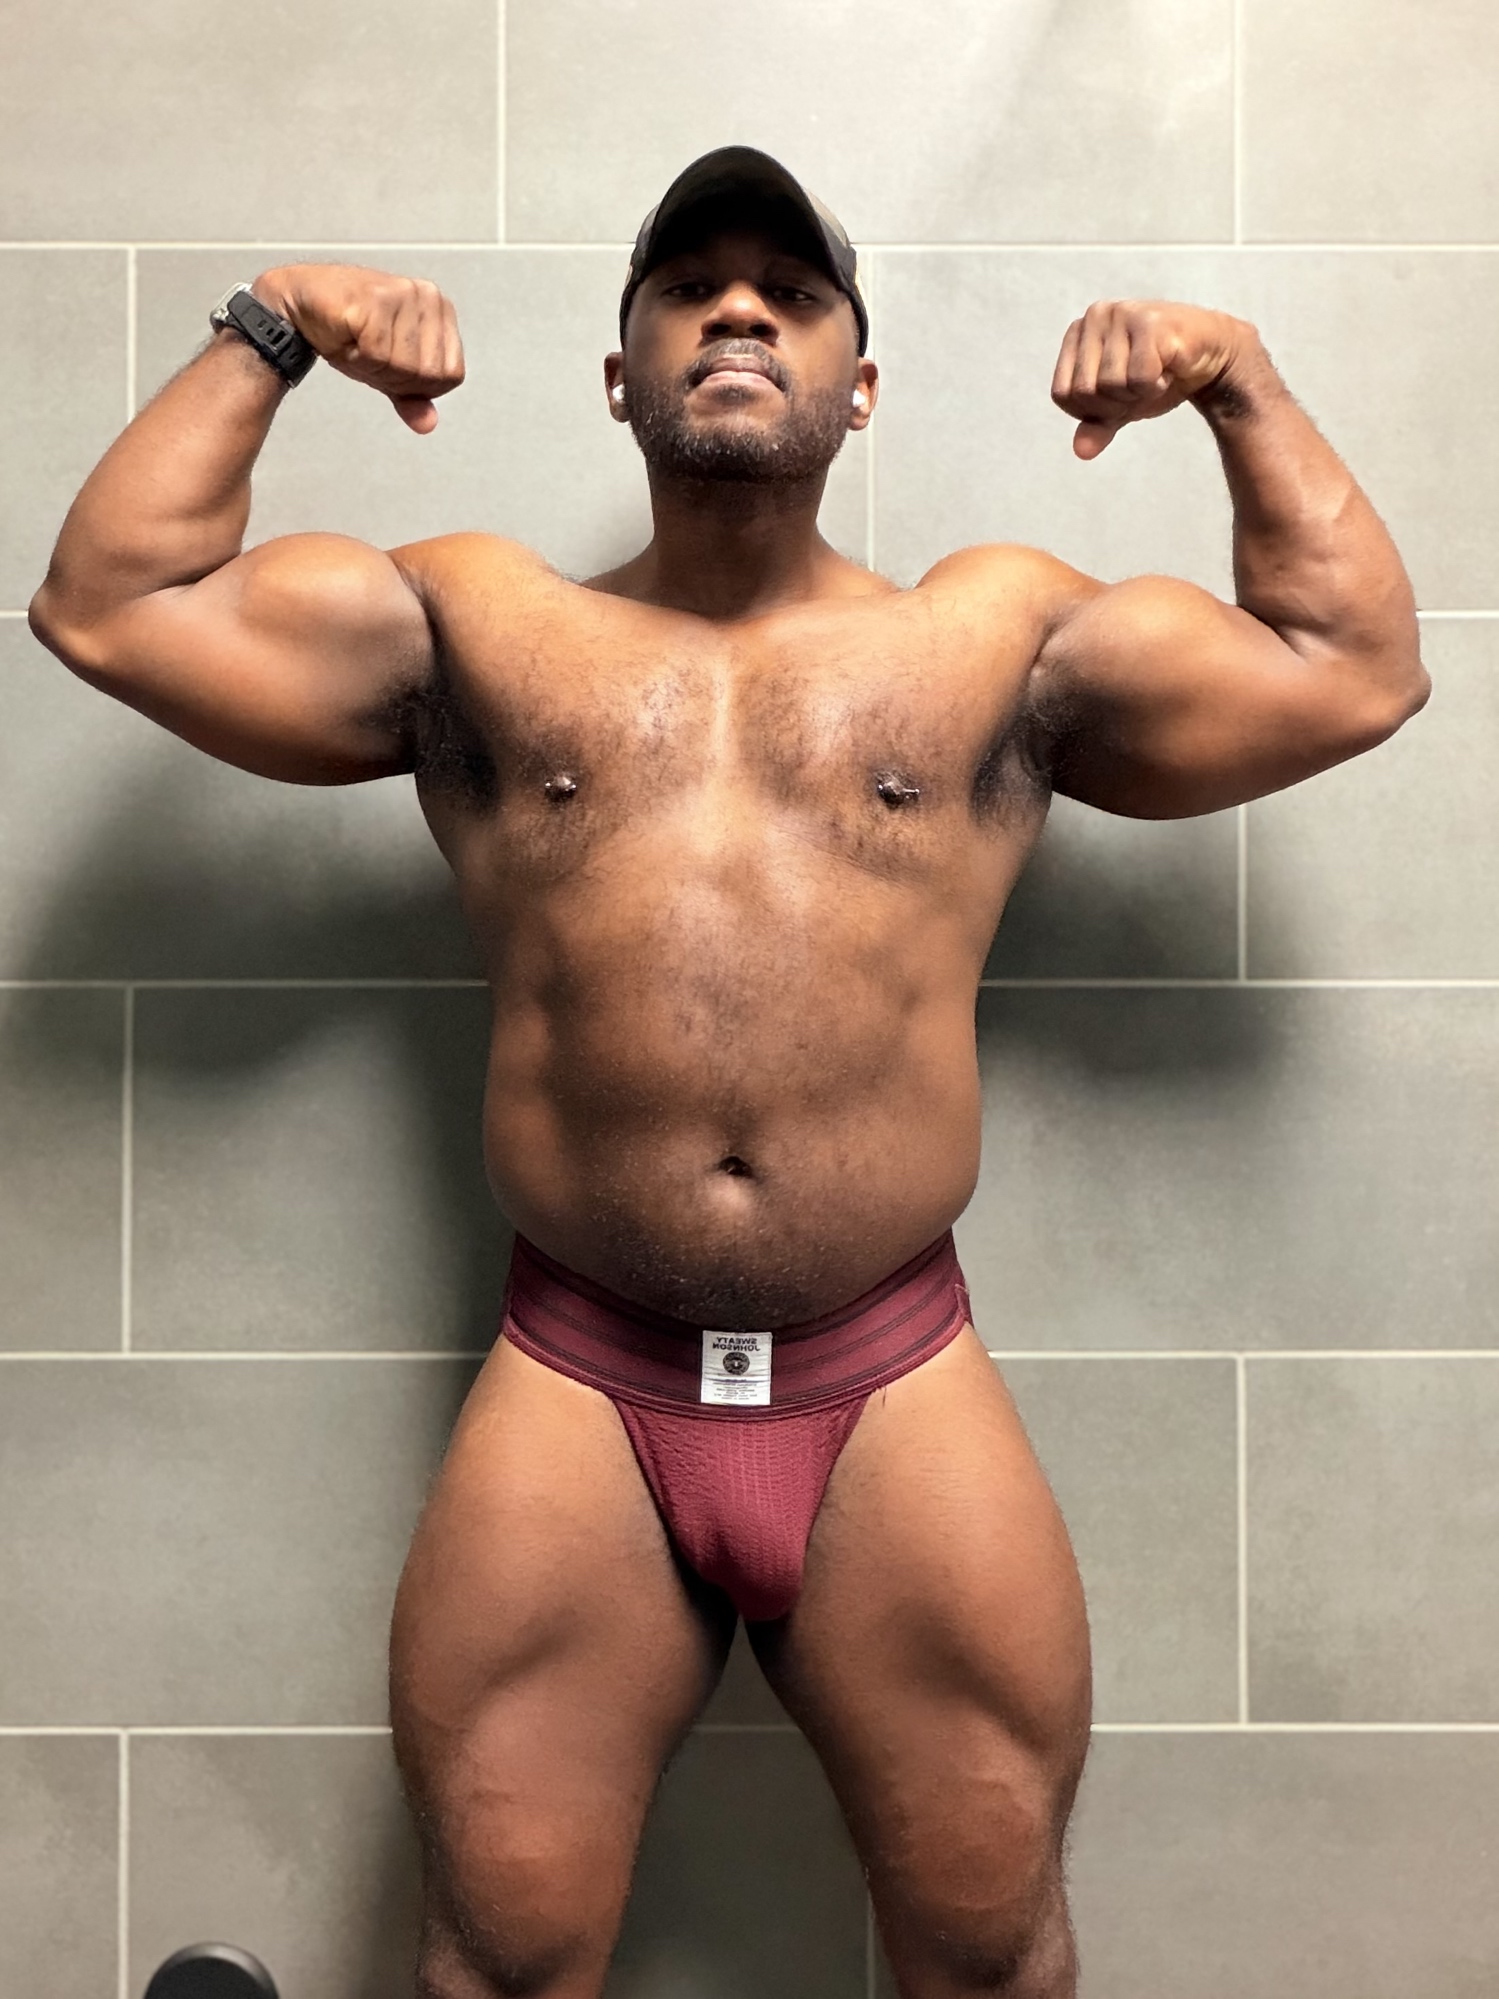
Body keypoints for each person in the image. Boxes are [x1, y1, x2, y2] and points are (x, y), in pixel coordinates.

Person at [30, 146, 1426, 1999]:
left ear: (865, 380)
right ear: (621, 377)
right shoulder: (480, 626)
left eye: (792, 288)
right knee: (505, 1949)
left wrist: (1238, 379)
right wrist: (275, 325)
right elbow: (111, 604)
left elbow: (1351, 666)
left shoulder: (990, 636)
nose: (741, 309)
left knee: (987, 1940)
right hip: (582, 1382)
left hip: (887, 1370)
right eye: (690, 286)